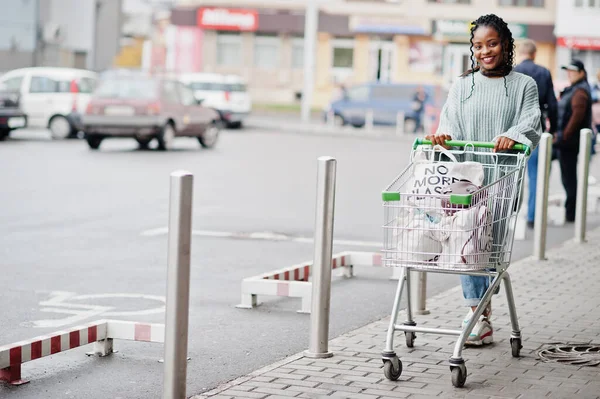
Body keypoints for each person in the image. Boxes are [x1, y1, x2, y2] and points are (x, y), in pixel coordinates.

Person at [426, 14, 542, 345]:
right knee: (466, 239)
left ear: (506, 45)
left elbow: (532, 121)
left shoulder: (523, 85)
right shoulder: (463, 85)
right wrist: (443, 137)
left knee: (488, 249)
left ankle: (480, 315)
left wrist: (512, 135)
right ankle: (477, 312)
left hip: (502, 179)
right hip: (467, 177)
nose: (485, 51)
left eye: (491, 44)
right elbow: (449, 122)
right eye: (478, 46)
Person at [513, 40, 558, 229]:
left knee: (512, 175)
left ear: (521, 53)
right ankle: (532, 217)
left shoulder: (512, 71)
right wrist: (553, 130)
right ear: (534, 53)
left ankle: (509, 214)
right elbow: (553, 105)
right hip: (535, 130)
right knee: (535, 175)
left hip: (512, 130)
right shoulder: (544, 72)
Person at [555, 59, 593, 223]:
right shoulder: (574, 89)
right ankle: (571, 212)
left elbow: (577, 117)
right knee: (568, 178)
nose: (569, 74)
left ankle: (571, 214)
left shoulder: (580, 92)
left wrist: (563, 136)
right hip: (566, 141)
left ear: (581, 73)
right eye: (568, 71)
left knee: (569, 179)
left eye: (573, 71)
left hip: (569, 142)